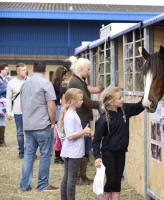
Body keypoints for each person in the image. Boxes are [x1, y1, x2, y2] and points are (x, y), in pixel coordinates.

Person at [92, 86, 145, 200]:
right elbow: (96, 141)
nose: (123, 99)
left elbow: (139, 107)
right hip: (108, 154)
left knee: (117, 184)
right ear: (111, 102)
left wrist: (148, 95)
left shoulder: (124, 109)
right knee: (110, 182)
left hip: (121, 153)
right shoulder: (103, 120)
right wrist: (97, 157)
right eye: (120, 98)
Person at [19, 60, 58, 192]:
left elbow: (22, 106)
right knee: (45, 155)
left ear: (32, 68)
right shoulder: (46, 83)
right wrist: (53, 122)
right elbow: (51, 105)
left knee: (29, 155)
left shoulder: (24, 84)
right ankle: (42, 184)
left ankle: (24, 185)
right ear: (45, 69)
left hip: (28, 125)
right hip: (42, 125)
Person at [67, 56, 102, 185]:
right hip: (81, 118)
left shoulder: (78, 80)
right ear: (81, 68)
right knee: (81, 148)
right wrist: (101, 104)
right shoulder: (76, 82)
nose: (89, 71)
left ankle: (81, 176)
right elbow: (86, 102)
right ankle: (78, 176)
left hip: (83, 117)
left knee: (85, 147)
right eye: (88, 69)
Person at [59, 88, 94, 200]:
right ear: (73, 101)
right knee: (71, 178)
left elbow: (74, 132)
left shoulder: (73, 113)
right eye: (80, 100)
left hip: (73, 150)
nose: (82, 102)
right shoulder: (70, 115)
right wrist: (84, 131)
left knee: (68, 176)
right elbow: (70, 136)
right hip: (73, 152)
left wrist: (86, 133)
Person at [6, 63, 27, 157]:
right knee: (20, 132)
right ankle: (21, 151)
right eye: (23, 70)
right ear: (18, 71)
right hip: (18, 112)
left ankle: (29, 151)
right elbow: (8, 98)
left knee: (29, 133)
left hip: (29, 112)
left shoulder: (29, 81)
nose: (25, 71)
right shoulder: (11, 83)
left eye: (26, 69)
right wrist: (9, 112)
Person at [52, 66, 68, 164]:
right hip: (58, 110)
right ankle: (57, 157)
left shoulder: (54, 84)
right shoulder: (58, 85)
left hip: (56, 109)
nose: (65, 77)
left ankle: (58, 156)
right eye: (64, 75)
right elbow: (63, 100)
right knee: (59, 134)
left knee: (58, 134)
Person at [0, 63, 9, 147]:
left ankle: (2, 140)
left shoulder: (5, 79)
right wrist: (5, 90)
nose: (7, 71)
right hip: (1, 102)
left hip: (3, 103)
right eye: (6, 70)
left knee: (2, 120)